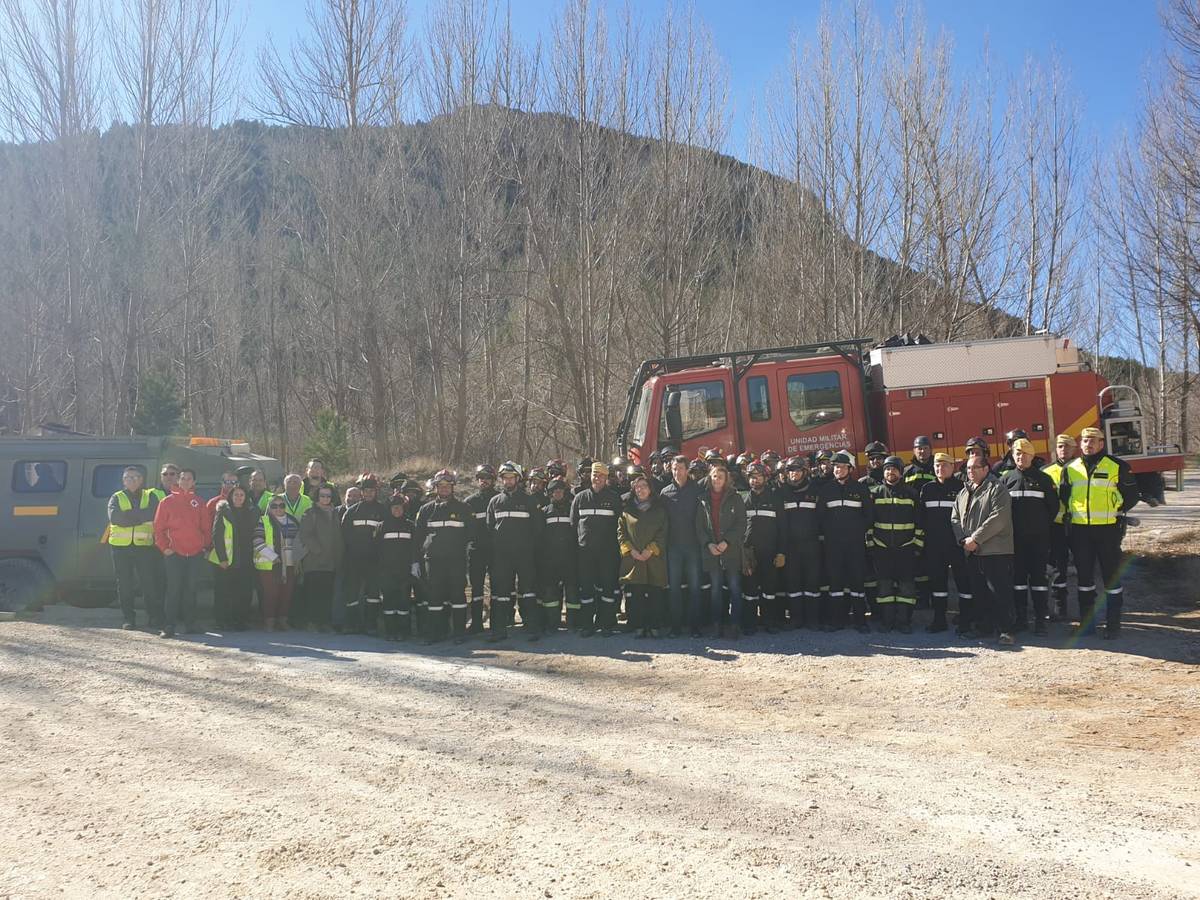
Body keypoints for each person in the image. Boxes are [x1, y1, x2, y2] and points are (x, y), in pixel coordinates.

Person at [1060, 426, 1139, 639]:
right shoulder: (1070, 468)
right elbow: (1064, 495)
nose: (1089, 443)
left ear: (1102, 443)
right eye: (1085, 440)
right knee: (1084, 580)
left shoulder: (1117, 466)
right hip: (1080, 533)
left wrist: (1117, 509)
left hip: (1108, 531)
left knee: (1111, 579)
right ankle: (1087, 625)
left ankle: (1113, 625)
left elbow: (1132, 495)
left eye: (1093, 440)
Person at [951, 456, 1015, 646]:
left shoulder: (997, 489)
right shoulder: (964, 492)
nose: (971, 471)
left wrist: (975, 539)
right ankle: (984, 626)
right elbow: (955, 517)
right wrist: (963, 539)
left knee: (999, 592)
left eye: (975, 468)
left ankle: (1006, 630)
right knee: (979, 592)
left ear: (986, 469)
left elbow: (999, 518)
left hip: (995, 551)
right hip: (971, 551)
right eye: (968, 468)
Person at [999, 438, 1059, 635]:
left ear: (1032, 456)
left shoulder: (1043, 480)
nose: (1020, 456)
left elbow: (1053, 508)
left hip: (1038, 540)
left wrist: (1039, 527)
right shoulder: (1006, 480)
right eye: (1017, 453)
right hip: (1014, 541)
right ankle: (1021, 618)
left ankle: (1041, 620)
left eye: (1024, 453)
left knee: (1038, 580)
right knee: (1017, 580)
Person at [486, 461, 543, 642]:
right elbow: (489, 528)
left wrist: (531, 550)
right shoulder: (495, 502)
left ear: (517, 479)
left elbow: (538, 529)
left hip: (524, 555)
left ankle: (532, 627)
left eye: (511, 478)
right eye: (505, 478)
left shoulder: (529, 501)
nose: (508, 481)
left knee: (528, 591)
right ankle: (499, 629)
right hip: (502, 557)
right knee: (500, 593)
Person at [818, 451, 873, 632]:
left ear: (850, 469)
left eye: (841, 467)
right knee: (836, 583)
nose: (837, 470)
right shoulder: (826, 490)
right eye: (835, 467)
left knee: (857, 581)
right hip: (834, 545)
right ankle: (837, 620)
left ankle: (860, 620)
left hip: (855, 544)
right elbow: (821, 517)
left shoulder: (860, 489)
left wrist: (857, 532)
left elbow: (869, 515)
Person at [153, 468, 212, 638]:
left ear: (194, 482)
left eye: (189, 478)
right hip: (174, 553)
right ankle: (169, 626)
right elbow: (158, 529)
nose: (185, 481)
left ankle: (190, 623)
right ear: (178, 481)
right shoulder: (166, 502)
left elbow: (206, 528)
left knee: (191, 589)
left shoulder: (199, 502)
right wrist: (165, 548)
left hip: (194, 553)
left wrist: (204, 547)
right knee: (173, 590)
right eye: (183, 478)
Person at [415, 470, 472, 643]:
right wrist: (415, 561)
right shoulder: (426, 510)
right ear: (436, 488)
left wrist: (468, 558)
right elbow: (418, 537)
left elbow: (471, 535)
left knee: (458, 596)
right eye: (441, 486)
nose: (445, 489)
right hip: (433, 561)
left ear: (453, 487)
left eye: (448, 486)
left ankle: (459, 633)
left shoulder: (464, 508)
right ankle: (435, 633)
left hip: (456, 560)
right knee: (434, 597)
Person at [918, 453, 971, 634]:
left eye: (944, 465)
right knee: (937, 584)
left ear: (952, 467)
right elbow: (921, 517)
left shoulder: (961, 488)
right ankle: (939, 619)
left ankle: (965, 618)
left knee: (963, 582)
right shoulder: (927, 489)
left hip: (956, 545)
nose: (940, 469)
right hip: (934, 545)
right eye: (937, 466)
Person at [870, 456, 923, 633]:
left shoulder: (911, 494)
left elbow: (920, 523)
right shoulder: (875, 493)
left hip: (906, 549)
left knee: (906, 587)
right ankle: (887, 621)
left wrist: (916, 545)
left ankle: (904, 621)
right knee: (884, 586)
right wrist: (872, 545)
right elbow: (869, 523)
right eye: (887, 469)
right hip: (882, 548)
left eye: (894, 469)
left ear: (900, 472)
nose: (890, 472)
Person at [696, 463, 746, 639]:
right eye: (714, 476)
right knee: (716, 589)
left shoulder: (735, 498)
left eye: (721, 477)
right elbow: (699, 527)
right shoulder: (702, 499)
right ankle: (717, 625)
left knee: (734, 587)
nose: (717, 480)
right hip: (712, 552)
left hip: (730, 551)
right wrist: (708, 544)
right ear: (710, 478)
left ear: (726, 480)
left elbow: (741, 524)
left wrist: (727, 541)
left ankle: (735, 625)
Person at [572, 461, 623, 636]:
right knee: (586, 589)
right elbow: (573, 525)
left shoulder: (614, 498)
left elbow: (620, 524)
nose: (597, 478)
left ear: (606, 478)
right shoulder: (580, 498)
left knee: (607, 589)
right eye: (595, 475)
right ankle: (587, 624)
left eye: (601, 475)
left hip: (608, 552)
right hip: (585, 553)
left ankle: (606, 624)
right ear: (591, 476)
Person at [107, 466, 161, 630]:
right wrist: (139, 515)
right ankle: (129, 619)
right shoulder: (116, 497)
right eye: (128, 477)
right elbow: (116, 519)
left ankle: (153, 618)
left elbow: (152, 514)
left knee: (148, 584)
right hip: (120, 548)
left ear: (141, 479)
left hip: (144, 547)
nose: (132, 480)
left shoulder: (150, 496)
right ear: (123, 481)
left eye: (136, 477)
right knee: (124, 584)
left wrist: (129, 515)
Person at [618, 469, 668, 637]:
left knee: (655, 594)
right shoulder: (627, 511)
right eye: (637, 487)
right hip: (634, 559)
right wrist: (631, 551)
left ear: (650, 489)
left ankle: (654, 626)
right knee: (637, 595)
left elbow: (663, 532)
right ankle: (638, 626)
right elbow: (621, 533)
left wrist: (650, 550)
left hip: (653, 559)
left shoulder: (659, 510)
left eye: (644, 486)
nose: (640, 489)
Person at [659, 453, 704, 638]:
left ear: (687, 470)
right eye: (674, 469)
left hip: (693, 546)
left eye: (680, 469)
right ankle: (676, 626)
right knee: (675, 588)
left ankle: (694, 626)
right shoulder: (665, 493)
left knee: (695, 587)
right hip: (673, 548)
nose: (677, 472)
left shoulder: (697, 490)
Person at [741, 462, 787, 635]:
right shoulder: (744, 499)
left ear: (766, 478)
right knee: (750, 590)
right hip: (749, 552)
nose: (754, 480)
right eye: (751, 477)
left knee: (769, 589)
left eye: (758, 476)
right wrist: (742, 553)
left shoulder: (775, 498)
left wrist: (781, 552)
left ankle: (770, 621)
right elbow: (739, 527)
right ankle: (750, 623)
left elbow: (783, 528)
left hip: (770, 551)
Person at [340, 474, 386, 633]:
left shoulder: (383, 510)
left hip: (374, 560)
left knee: (373, 594)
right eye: (366, 491)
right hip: (353, 559)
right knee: (351, 593)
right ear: (362, 492)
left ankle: (370, 625)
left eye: (372, 491)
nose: (368, 494)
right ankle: (351, 624)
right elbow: (344, 536)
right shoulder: (352, 512)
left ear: (376, 492)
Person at [208, 485, 257, 631]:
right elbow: (216, 535)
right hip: (226, 559)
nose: (239, 497)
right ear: (230, 497)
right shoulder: (223, 511)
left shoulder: (252, 512)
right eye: (236, 495)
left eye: (242, 495)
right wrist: (222, 558)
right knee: (223, 592)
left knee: (243, 592)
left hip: (246, 558)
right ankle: (221, 620)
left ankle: (241, 620)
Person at [781, 456, 822, 629]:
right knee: (793, 583)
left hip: (812, 544)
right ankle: (796, 618)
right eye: (790, 471)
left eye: (797, 470)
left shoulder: (815, 490)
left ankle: (813, 619)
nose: (793, 474)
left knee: (812, 582)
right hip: (791, 546)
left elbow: (821, 518)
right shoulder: (781, 492)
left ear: (804, 472)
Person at [253, 496, 306, 631]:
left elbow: (300, 542)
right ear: (269, 508)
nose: (278, 509)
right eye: (274, 506)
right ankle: (269, 621)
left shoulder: (293, 521)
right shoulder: (263, 521)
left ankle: (283, 620)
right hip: (271, 564)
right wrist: (274, 557)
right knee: (271, 594)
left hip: (290, 564)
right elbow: (257, 542)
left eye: (281, 505)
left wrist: (298, 559)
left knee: (287, 593)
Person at [298, 483, 343, 631]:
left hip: (332, 561)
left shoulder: (336, 512)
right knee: (314, 592)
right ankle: (313, 622)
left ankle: (324, 622)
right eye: (322, 495)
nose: (325, 498)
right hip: (314, 561)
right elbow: (305, 535)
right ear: (317, 496)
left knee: (327, 593)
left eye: (328, 496)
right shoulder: (311, 512)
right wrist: (317, 550)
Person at [1041, 434, 1077, 620]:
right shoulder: (1046, 471)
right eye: (1060, 446)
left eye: (1067, 446)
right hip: (1056, 526)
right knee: (1057, 567)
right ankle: (1059, 606)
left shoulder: (1081, 469)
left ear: (1074, 448)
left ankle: (1087, 607)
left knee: (1085, 567)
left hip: (1079, 525)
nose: (1063, 449)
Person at [377, 489, 417, 641]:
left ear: (404, 508)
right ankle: (390, 632)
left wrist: (414, 565)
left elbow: (415, 547)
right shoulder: (382, 526)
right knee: (388, 602)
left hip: (405, 571)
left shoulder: (410, 526)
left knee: (403, 602)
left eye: (399, 507)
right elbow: (377, 548)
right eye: (394, 507)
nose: (397, 510)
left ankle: (403, 632)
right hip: (387, 572)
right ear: (389, 509)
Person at [539, 478, 577, 632]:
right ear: (549, 494)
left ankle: (574, 622)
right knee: (550, 592)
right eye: (554, 491)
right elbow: (540, 536)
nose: (558, 493)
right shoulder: (544, 512)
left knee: (573, 591)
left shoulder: (572, 509)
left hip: (570, 558)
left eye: (560, 491)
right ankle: (552, 622)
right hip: (551, 560)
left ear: (565, 492)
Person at [464, 464, 497, 636]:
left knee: (497, 588)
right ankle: (476, 623)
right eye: (481, 478)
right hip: (475, 551)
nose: (484, 481)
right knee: (476, 589)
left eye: (487, 478)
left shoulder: (500, 499)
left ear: (493, 480)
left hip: (495, 550)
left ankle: (498, 623)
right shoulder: (469, 502)